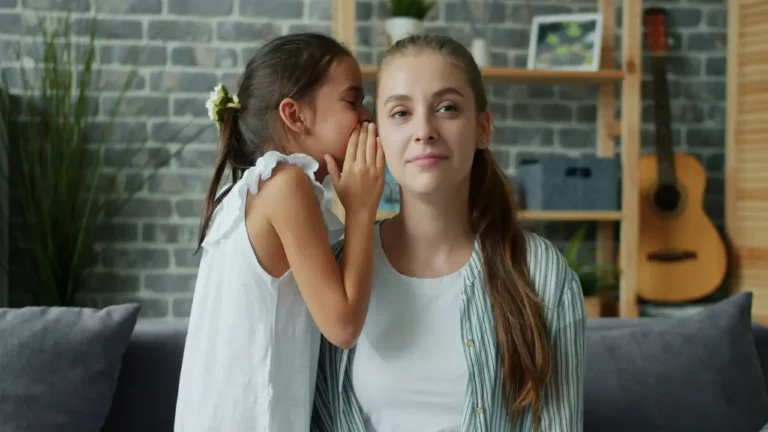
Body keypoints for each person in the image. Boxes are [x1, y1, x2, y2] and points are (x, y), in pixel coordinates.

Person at [311, 34, 586, 432]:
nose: (424, 130)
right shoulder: (335, 273)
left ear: (482, 129)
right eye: (401, 113)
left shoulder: (541, 273)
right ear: (376, 134)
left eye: (447, 108)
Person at [174, 33, 385, 431]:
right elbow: (342, 326)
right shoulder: (286, 186)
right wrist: (360, 210)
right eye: (352, 101)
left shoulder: (245, 192)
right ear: (295, 115)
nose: (367, 117)